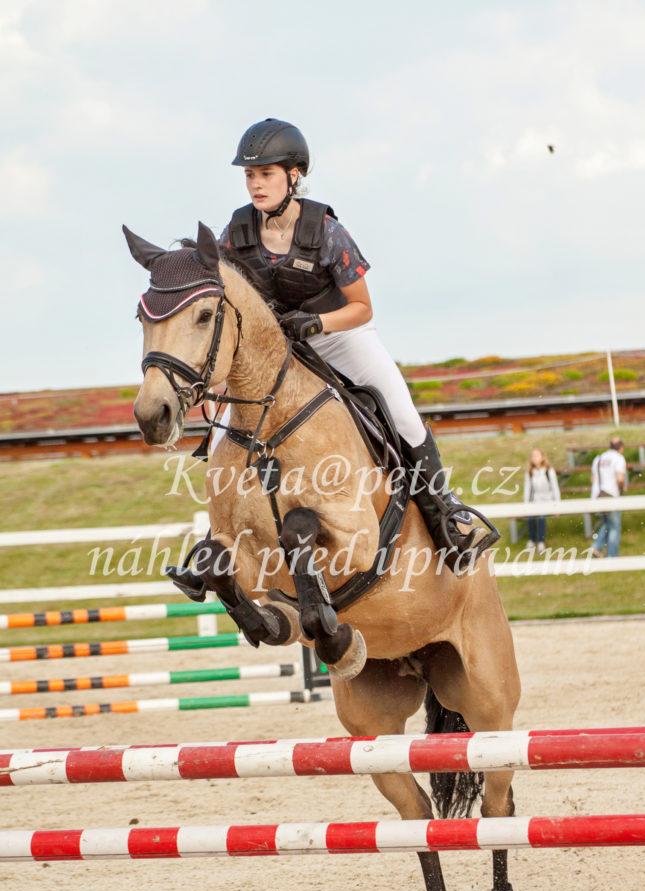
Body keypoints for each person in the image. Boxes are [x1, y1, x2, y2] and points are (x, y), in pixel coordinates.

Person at [216, 117, 497, 570]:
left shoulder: (327, 232)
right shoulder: (236, 233)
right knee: (225, 434)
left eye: (266, 173)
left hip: (339, 337)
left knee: (401, 412)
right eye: (250, 175)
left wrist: (317, 323)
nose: (256, 184)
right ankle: (218, 542)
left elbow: (362, 308)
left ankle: (446, 517)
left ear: (293, 176)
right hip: (278, 355)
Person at [590, 437, 627, 558]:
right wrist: (622, 490)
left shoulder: (598, 458)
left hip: (597, 495)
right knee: (615, 526)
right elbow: (620, 479)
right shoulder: (618, 458)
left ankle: (596, 547)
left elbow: (593, 479)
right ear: (621, 448)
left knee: (607, 523)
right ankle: (612, 555)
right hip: (610, 494)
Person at [523, 447, 561, 553]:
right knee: (531, 516)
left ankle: (540, 541)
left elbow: (555, 488)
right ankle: (532, 540)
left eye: (537, 455)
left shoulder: (549, 471)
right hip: (535, 501)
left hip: (548, 501)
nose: (535, 458)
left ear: (542, 457)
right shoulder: (530, 472)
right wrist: (525, 506)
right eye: (533, 456)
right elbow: (527, 490)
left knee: (540, 516)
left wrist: (557, 506)